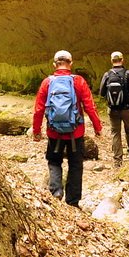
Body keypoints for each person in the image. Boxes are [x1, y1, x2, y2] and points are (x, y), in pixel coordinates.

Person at [32, 50, 102, 207]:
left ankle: (56, 192)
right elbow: (90, 106)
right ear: (71, 63)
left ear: (54, 65)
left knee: (54, 161)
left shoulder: (47, 82)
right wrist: (98, 127)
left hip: (54, 132)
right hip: (75, 132)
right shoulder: (79, 81)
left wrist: (37, 131)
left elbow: (38, 109)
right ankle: (73, 201)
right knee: (76, 165)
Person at [99, 51, 129, 167]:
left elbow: (102, 93)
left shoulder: (107, 75)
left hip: (112, 109)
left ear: (111, 61)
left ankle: (117, 160)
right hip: (127, 109)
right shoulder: (128, 74)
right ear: (122, 60)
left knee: (115, 133)